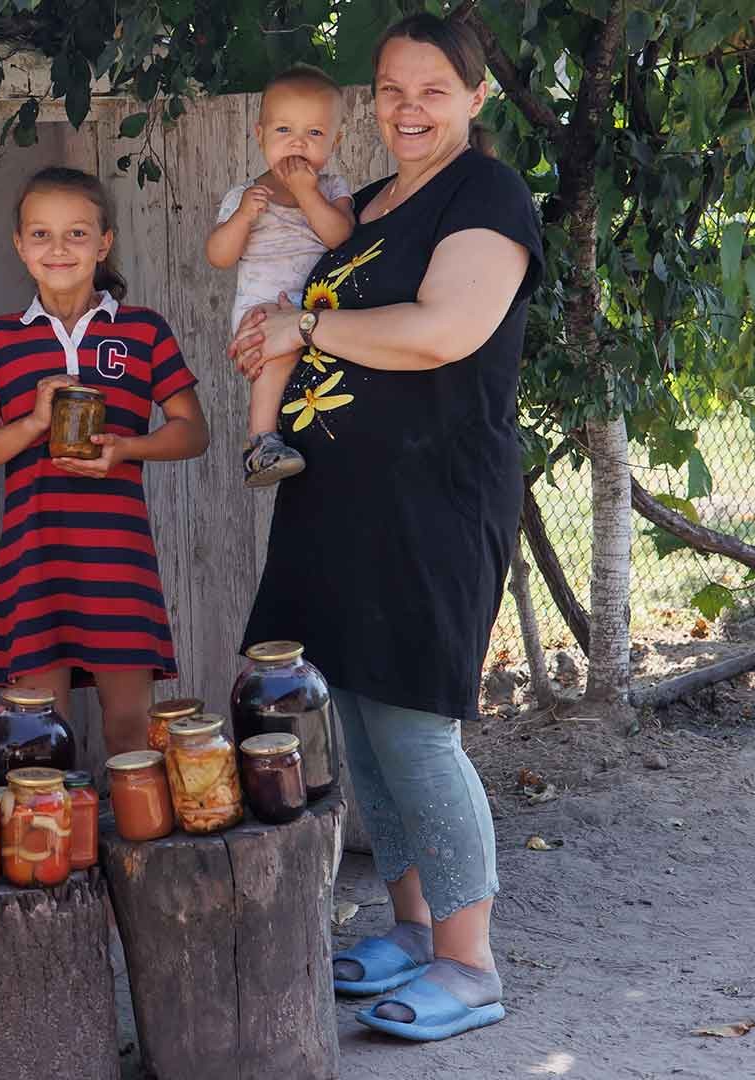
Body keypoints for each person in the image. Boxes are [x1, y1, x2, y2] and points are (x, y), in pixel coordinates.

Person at [227, 12, 543, 1043]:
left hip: (433, 498)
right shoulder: (362, 205)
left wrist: (304, 325)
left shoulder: (484, 195)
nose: (409, 109)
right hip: (337, 499)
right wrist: (267, 333)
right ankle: (411, 928)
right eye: (392, 91)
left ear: (475, 98)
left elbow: (446, 330)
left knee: (414, 722)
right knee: (356, 716)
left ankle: (470, 959)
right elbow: (282, 284)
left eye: (433, 91)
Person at [0, 167, 209, 754]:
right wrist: (33, 425)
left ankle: (131, 846)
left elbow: (193, 432)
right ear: (19, 244)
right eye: (40, 235)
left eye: (76, 234)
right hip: (32, 553)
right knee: (41, 731)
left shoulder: (142, 331)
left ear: (104, 242)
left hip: (118, 554)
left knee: (130, 725)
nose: (58, 249)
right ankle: (59, 847)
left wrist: (127, 448)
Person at [204, 63, 355, 487]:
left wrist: (308, 194)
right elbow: (218, 256)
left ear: (336, 140)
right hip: (262, 310)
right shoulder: (246, 195)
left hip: (314, 310)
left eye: (315, 134)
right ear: (260, 135)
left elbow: (339, 236)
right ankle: (262, 442)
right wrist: (241, 220)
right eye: (284, 131)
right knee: (281, 354)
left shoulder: (330, 188)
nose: (298, 144)